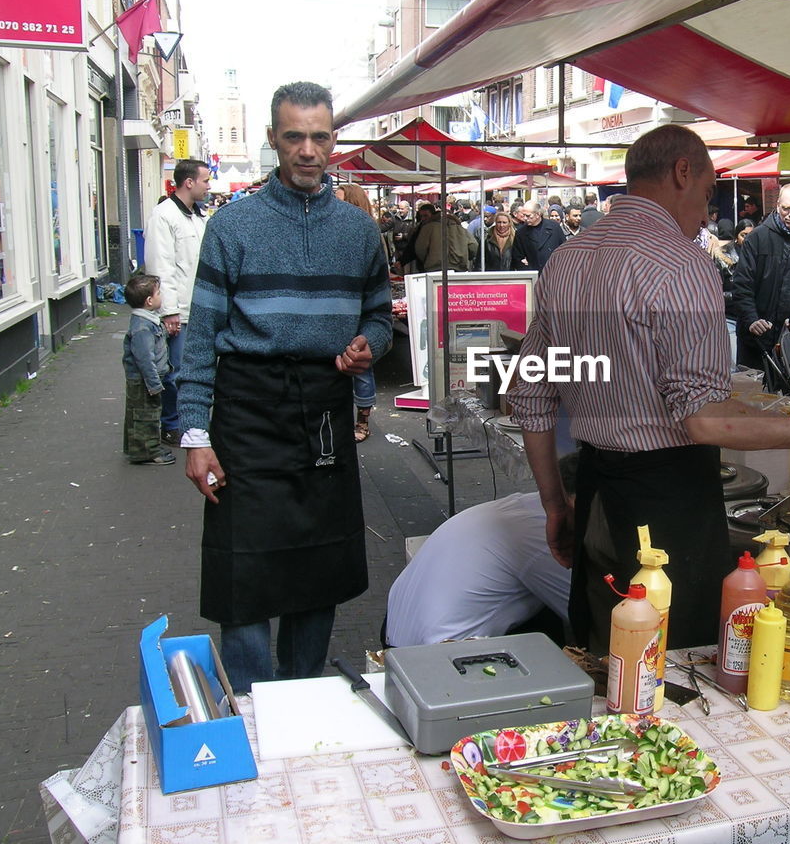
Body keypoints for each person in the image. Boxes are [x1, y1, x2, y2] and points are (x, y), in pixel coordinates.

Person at [507, 125, 790, 653]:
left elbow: (529, 394)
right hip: (667, 503)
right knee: (671, 663)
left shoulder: (566, 260)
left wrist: (555, 503)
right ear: (682, 172)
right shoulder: (682, 263)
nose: (708, 213)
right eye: (710, 192)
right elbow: (701, 418)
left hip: (597, 487)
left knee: (606, 657)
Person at [177, 81, 393, 694]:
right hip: (246, 413)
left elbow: (379, 316)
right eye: (293, 136)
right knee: (244, 579)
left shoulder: (357, 232)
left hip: (324, 411)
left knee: (317, 570)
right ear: (272, 139)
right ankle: (247, 709)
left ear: (333, 141)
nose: (307, 150)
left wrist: (368, 345)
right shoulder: (232, 225)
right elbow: (201, 336)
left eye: (319, 136)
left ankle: (301, 707)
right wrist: (195, 433)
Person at [385, 456, 579, 647]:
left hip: (395, 630)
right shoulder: (545, 536)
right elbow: (588, 616)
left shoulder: (523, 506)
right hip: (437, 655)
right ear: (572, 503)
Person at [144, 157, 210, 447]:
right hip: (179, 310)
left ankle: (191, 423)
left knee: (194, 369)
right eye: (206, 180)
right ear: (189, 182)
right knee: (176, 371)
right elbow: (161, 265)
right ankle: (172, 424)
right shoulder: (164, 216)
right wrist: (168, 310)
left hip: (197, 308)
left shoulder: (197, 216)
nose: (209, 186)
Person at [729, 183, 790, 371]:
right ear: (777, 206)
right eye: (786, 208)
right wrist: (751, 319)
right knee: (751, 396)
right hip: (754, 340)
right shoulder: (757, 237)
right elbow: (742, 285)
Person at [336, 183, 381, 443]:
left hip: (360, 307)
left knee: (360, 364)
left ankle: (362, 420)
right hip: (339, 307)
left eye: (341, 200)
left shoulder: (366, 232)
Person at [122, 274, 174, 466]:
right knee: (147, 416)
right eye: (159, 293)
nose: (162, 296)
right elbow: (144, 358)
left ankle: (136, 449)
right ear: (149, 300)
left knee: (138, 414)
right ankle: (149, 452)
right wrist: (154, 384)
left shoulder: (149, 320)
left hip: (147, 379)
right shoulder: (142, 328)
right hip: (145, 381)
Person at [415, 208, 477, 272]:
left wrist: (428, 259)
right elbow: (473, 247)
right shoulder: (461, 229)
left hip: (435, 267)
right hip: (458, 267)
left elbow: (420, 248)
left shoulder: (428, 228)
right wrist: (465, 257)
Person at [511, 201, 564, 271]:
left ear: (538, 214)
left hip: (554, 272)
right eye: (523, 215)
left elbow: (564, 249)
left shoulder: (554, 227)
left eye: (528, 216)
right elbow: (517, 258)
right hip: (533, 275)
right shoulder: (521, 233)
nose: (525, 218)